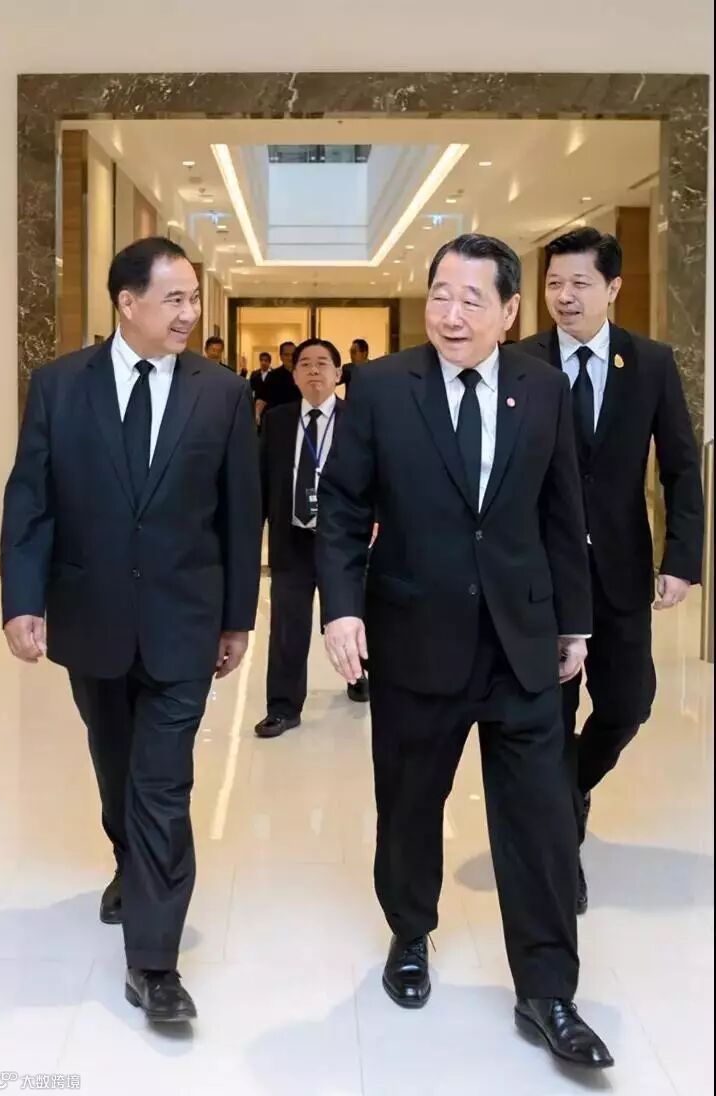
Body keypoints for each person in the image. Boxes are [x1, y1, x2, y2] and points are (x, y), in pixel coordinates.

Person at [316, 233, 614, 1069]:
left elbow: (562, 513)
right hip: (416, 637)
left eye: (472, 299)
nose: (451, 314)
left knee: (540, 822)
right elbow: (341, 508)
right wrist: (342, 611)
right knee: (411, 804)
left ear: (510, 311)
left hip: (521, 643)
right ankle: (411, 932)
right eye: (440, 296)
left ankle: (548, 992)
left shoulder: (542, 388)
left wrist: (576, 623)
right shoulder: (381, 388)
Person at [1, 237, 262, 1023]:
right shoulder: (59, 386)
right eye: (175, 299)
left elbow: (239, 515)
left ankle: (154, 964)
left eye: (195, 299)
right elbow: (32, 499)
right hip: (93, 619)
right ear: (127, 302)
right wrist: (22, 600)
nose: (190, 314)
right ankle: (129, 860)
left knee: (162, 783)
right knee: (117, 769)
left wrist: (237, 619)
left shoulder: (221, 393)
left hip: (184, 622)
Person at [518, 227, 704, 913]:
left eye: (579, 284)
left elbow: (681, 467)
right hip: (542, 576)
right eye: (554, 283)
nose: (564, 297)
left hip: (621, 569)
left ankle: (571, 789)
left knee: (630, 703)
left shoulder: (649, 363)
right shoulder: (520, 362)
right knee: (551, 714)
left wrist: (681, 559)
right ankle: (560, 849)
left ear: (613, 288)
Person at [255, 339, 369, 740]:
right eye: (305, 364)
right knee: (288, 623)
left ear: (339, 374)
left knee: (353, 613)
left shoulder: (358, 419)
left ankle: (358, 676)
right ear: (294, 375)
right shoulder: (278, 420)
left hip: (345, 541)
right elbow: (263, 478)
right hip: (293, 538)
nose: (314, 370)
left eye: (323, 363)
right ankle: (282, 707)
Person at [255, 340, 301, 422]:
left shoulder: (304, 375)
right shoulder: (273, 376)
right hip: (278, 419)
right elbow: (262, 398)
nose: (290, 358)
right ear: (281, 357)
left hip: (299, 419)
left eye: (293, 354)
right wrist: (257, 414)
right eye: (286, 355)